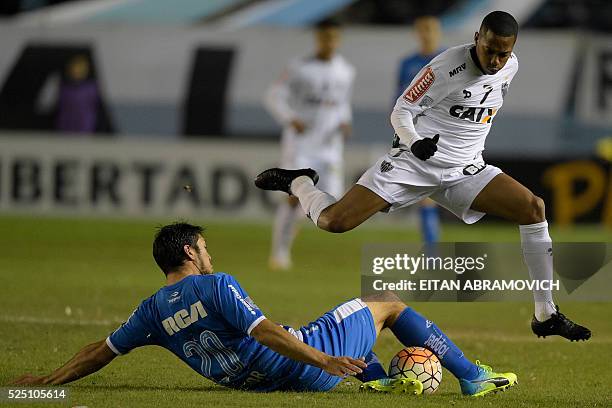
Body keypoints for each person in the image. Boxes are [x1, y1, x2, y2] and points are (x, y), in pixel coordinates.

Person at [255, 11, 591, 341]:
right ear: (477, 39)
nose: (496, 60)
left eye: (504, 53)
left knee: (533, 208)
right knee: (335, 221)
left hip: (465, 169)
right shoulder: (446, 67)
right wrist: (415, 143)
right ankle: (299, 182)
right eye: (490, 50)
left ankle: (545, 314)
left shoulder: (510, 66)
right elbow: (401, 109)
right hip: (414, 163)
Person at [11, 222, 516, 397]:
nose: (210, 255)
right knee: (383, 303)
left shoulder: (151, 312)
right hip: (301, 365)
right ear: (189, 253)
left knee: (337, 325)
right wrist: (324, 362)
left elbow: (100, 352)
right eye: (204, 248)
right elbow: (265, 330)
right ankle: (472, 377)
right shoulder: (216, 285)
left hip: (258, 381)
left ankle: (381, 379)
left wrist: (47, 382)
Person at [264, 18, 355, 270]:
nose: (330, 42)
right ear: (318, 38)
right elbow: (273, 96)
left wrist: (346, 121)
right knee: (293, 197)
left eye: (334, 38)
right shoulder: (299, 67)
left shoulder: (345, 70)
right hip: (301, 144)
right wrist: (290, 118)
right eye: (325, 37)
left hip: (330, 147)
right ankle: (280, 253)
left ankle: (290, 231)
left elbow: (342, 103)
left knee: (333, 200)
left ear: (339, 40)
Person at [395, 15, 445, 250]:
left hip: (441, 135)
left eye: (431, 30)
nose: (427, 34)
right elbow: (397, 101)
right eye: (422, 30)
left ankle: (432, 252)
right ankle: (431, 251)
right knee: (426, 195)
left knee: (429, 194)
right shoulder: (407, 63)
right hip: (413, 136)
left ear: (438, 33)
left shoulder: (448, 60)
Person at [56, 55, 99, 133]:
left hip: (85, 128)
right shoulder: (63, 87)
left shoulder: (92, 88)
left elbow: (96, 107)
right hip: (65, 127)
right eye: (75, 68)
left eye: (81, 69)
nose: (77, 72)